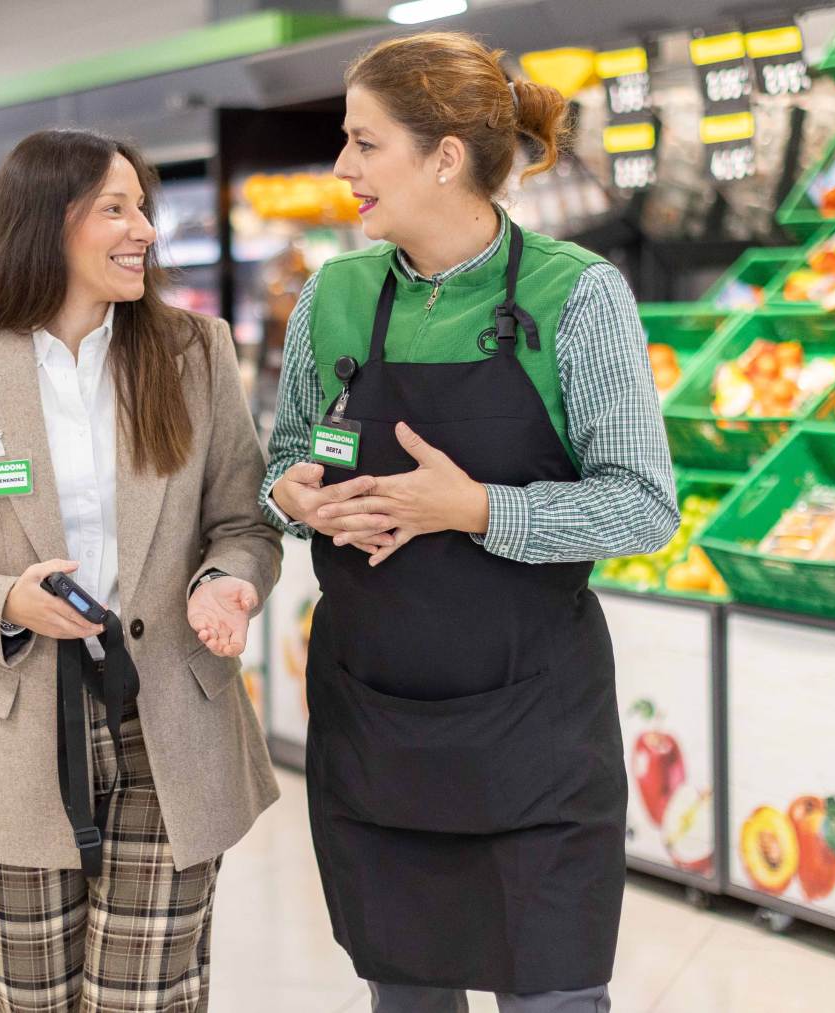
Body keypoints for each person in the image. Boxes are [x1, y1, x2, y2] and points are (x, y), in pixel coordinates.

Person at [262, 32, 680, 1013]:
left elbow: (644, 503)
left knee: (553, 995)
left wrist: (477, 507)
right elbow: (282, 458)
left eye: (365, 143)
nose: (342, 168)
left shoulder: (575, 294)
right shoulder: (333, 297)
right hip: (376, 728)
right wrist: (297, 497)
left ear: (444, 155)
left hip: (533, 734)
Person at [0, 128, 282, 1013]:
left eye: (142, 206)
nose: (143, 227)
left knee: (145, 997)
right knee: (27, 995)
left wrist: (231, 579)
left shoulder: (191, 351)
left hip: (168, 717)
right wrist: (9, 600)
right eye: (116, 207)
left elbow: (241, 520)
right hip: (17, 720)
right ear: (44, 223)